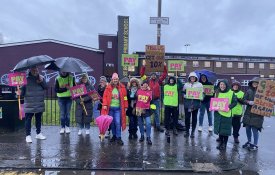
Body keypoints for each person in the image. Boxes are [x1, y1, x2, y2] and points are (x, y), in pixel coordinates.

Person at [18, 67, 47, 143]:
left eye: (36, 70)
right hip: (29, 103)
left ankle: (38, 133)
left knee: (38, 119)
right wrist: (19, 92)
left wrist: (41, 81)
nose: (35, 71)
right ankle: (28, 136)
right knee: (28, 120)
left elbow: (46, 87)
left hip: (39, 102)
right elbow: (22, 93)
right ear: (30, 70)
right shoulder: (25, 79)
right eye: (33, 70)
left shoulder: (42, 78)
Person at [140, 60, 167, 132]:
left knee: (156, 113)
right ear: (151, 76)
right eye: (152, 75)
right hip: (148, 100)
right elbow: (142, 75)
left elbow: (164, 74)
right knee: (147, 113)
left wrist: (164, 66)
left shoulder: (159, 80)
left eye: (154, 75)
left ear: (156, 76)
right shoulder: (147, 80)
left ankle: (158, 126)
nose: (153, 76)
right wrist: (143, 66)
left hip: (156, 100)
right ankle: (147, 126)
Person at [101, 73, 128, 145]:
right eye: (114, 79)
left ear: (118, 79)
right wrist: (105, 104)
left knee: (118, 122)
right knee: (112, 123)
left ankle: (119, 137)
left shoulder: (122, 87)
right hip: (110, 108)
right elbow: (105, 97)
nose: (115, 80)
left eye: (116, 79)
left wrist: (125, 106)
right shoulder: (108, 87)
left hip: (118, 108)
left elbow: (125, 98)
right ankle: (114, 136)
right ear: (112, 80)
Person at [214, 79, 237, 151]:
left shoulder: (231, 93)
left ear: (226, 85)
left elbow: (234, 102)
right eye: (221, 84)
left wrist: (229, 107)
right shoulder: (217, 92)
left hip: (226, 114)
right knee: (220, 130)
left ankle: (225, 144)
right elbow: (214, 102)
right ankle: (221, 143)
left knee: (225, 131)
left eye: (224, 84)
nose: (222, 86)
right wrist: (211, 107)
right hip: (218, 114)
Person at [242, 77, 264, 151]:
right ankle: (249, 141)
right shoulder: (249, 91)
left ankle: (255, 144)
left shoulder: (262, 92)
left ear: (259, 84)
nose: (255, 84)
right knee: (248, 128)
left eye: (256, 83)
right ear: (251, 83)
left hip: (257, 114)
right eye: (253, 82)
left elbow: (267, 102)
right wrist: (248, 102)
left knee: (255, 129)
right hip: (248, 113)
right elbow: (244, 100)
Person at [183, 72, 203, 138]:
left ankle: (193, 132)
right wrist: (184, 95)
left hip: (195, 104)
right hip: (188, 104)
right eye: (191, 77)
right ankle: (187, 131)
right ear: (189, 78)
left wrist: (202, 97)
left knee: (194, 118)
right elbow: (183, 92)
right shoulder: (186, 85)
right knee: (187, 118)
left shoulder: (199, 85)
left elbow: (202, 93)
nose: (192, 78)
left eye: (193, 77)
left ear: (196, 78)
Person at [136, 80, 153, 145]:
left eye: (146, 84)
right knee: (140, 123)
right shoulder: (138, 91)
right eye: (144, 84)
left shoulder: (150, 92)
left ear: (148, 85)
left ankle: (148, 137)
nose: (145, 85)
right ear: (142, 85)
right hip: (139, 109)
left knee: (148, 123)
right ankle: (142, 135)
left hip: (146, 109)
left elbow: (152, 100)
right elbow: (134, 98)